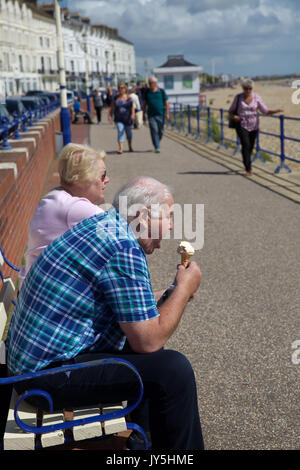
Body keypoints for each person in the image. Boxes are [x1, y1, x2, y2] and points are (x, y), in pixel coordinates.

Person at [7, 176, 204, 450]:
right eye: (169, 216)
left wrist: (172, 291)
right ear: (143, 215)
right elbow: (148, 339)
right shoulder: (122, 247)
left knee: (149, 359)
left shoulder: (105, 226)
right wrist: (183, 290)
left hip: (31, 365)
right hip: (44, 379)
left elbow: (132, 305)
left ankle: (143, 445)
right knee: (173, 370)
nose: (172, 225)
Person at [18, 143, 109, 288]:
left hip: (34, 290)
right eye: (102, 175)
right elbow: (120, 232)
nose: (107, 180)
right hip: (47, 299)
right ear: (84, 178)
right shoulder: (72, 208)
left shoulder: (54, 197)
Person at [228, 78, 283, 176]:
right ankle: (248, 169)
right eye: (246, 88)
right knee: (245, 145)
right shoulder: (238, 97)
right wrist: (234, 117)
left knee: (251, 147)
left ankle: (247, 162)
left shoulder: (257, 97)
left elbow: (264, 111)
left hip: (254, 125)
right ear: (242, 88)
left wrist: (275, 111)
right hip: (242, 124)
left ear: (252, 88)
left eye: (250, 88)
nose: (248, 91)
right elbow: (230, 111)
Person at [143, 77, 170, 153]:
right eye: (149, 83)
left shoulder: (161, 91)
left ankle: (157, 141)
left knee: (161, 131)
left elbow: (167, 103)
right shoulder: (147, 92)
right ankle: (157, 146)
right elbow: (144, 104)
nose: (149, 85)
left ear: (155, 83)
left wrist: (167, 113)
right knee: (154, 130)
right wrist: (143, 114)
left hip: (161, 114)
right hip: (151, 115)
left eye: (151, 83)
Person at [108, 83, 135, 154]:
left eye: (122, 88)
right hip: (118, 118)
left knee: (129, 134)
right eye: (119, 88)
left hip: (127, 118)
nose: (121, 89)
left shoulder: (129, 97)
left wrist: (132, 114)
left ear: (125, 89)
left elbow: (132, 107)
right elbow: (112, 107)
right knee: (120, 131)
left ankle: (130, 146)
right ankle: (120, 148)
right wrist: (109, 115)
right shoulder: (115, 97)